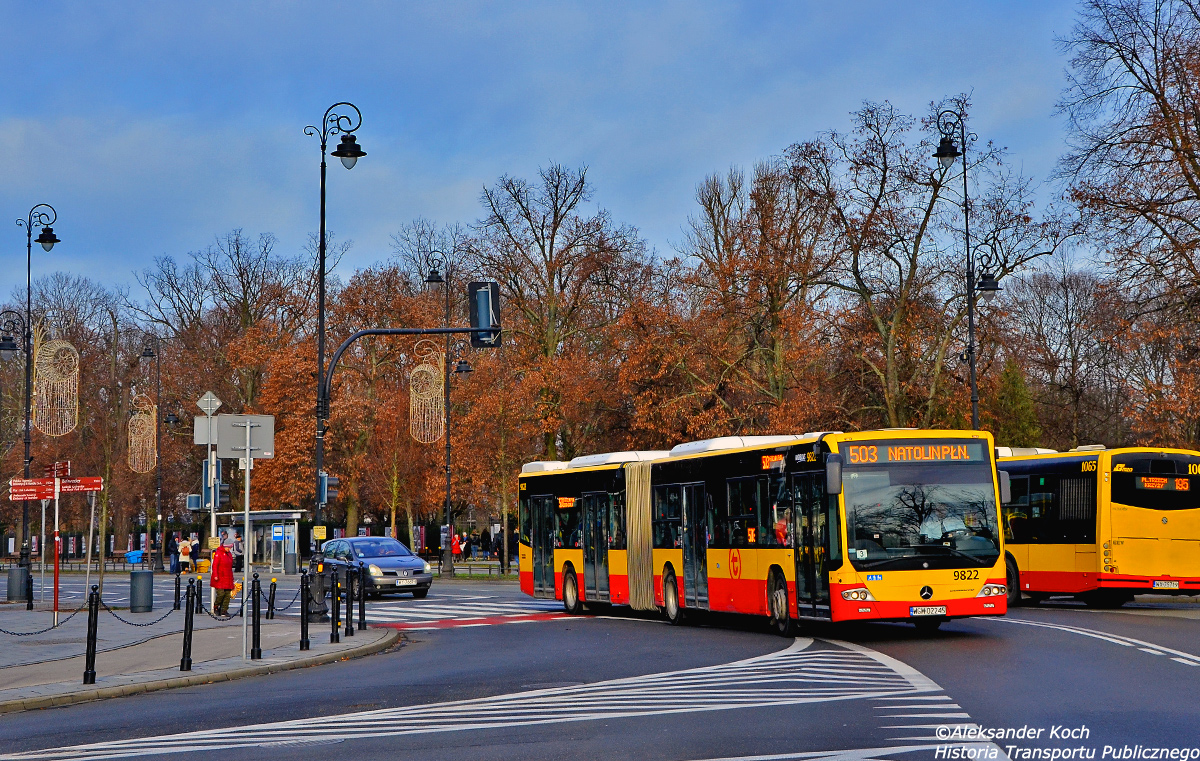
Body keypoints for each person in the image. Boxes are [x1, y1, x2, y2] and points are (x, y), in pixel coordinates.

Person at [210, 542, 235, 616]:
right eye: (228, 547)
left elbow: (230, 566)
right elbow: (215, 565)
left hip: (228, 576)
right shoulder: (219, 553)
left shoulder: (229, 554)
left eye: (230, 547)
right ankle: (216, 607)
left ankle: (224, 610)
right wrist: (215, 575)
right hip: (220, 576)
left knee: (227, 594)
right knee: (221, 593)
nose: (229, 549)